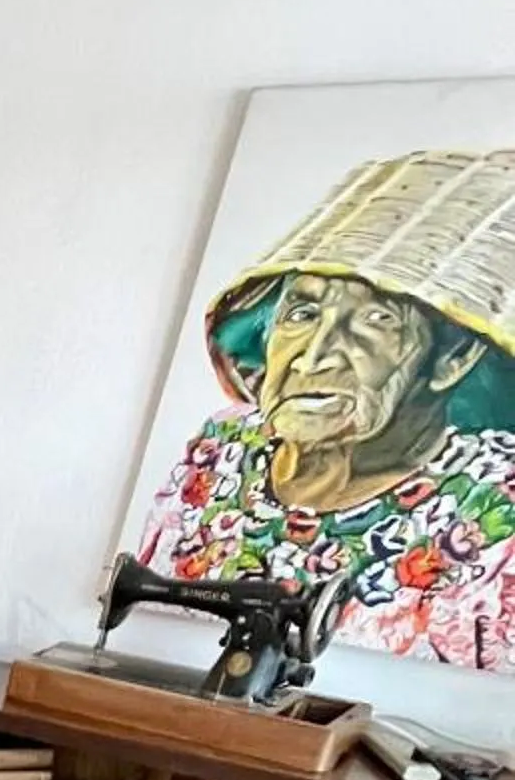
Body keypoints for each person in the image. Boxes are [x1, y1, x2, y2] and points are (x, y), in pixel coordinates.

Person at [141, 150, 515, 667]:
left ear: (453, 357)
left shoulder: (494, 511)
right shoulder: (221, 448)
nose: (314, 356)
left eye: (377, 320)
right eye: (302, 313)